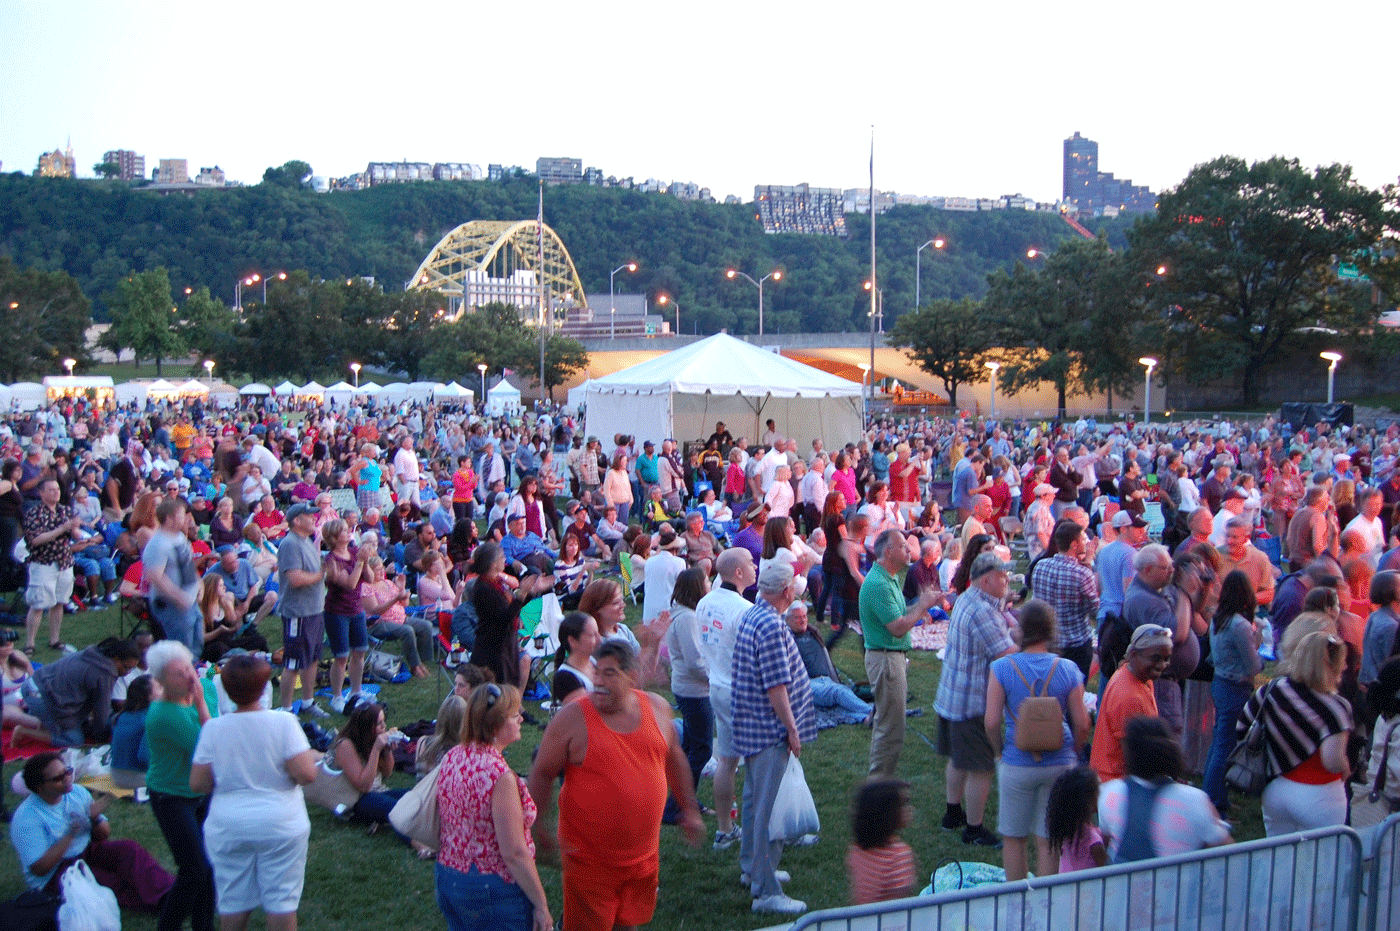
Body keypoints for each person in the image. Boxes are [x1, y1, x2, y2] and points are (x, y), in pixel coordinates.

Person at [528, 641, 703, 931]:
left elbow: (675, 760)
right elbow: (542, 772)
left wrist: (690, 810)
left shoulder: (657, 709)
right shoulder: (572, 718)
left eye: (609, 673)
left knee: (628, 923)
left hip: (642, 857)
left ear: (631, 676)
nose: (597, 681)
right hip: (588, 862)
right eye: (596, 672)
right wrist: (537, 826)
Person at [190, 654, 318, 931]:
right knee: (281, 902)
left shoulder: (213, 729)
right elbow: (307, 774)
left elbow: (198, 784)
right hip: (280, 824)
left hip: (228, 826)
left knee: (233, 903)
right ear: (263, 688)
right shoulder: (283, 723)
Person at [728, 561, 817, 916]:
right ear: (786, 591)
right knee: (769, 812)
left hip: (752, 727)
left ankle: (753, 868)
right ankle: (766, 890)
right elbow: (776, 686)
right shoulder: (770, 625)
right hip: (768, 730)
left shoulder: (754, 616)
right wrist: (792, 730)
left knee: (753, 804)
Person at [985, 599, 1091, 880]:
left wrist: (998, 752)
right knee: (1049, 839)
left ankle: (1018, 903)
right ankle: (1047, 904)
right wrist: (1074, 750)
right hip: (1060, 761)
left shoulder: (1001, 668)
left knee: (1014, 836)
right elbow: (1082, 723)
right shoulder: (1068, 669)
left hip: (1016, 760)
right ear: (1050, 630)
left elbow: (992, 721)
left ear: (1021, 629)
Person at [436, 683, 551, 931]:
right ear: (496, 722)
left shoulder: (454, 755)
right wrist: (541, 905)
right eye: (514, 714)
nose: (521, 718)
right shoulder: (498, 776)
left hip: (449, 878)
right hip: (490, 889)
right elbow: (514, 852)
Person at [9, 750, 174, 912]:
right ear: (39, 787)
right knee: (110, 883)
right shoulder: (27, 818)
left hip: (86, 852)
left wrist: (94, 819)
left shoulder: (77, 792)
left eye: (67, 771)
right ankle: (164, 904)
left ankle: (171, 893)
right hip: (55, 873)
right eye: (58, 778)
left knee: (129, 850)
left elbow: (103, 835)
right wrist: (71, 834)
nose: (67, 779)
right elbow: (39, 869)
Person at [935, 552, 1017, 847]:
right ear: (985, 580)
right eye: (1002, 576)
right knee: (981, 767)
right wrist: (1031, 645)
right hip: (973, 702)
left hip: (952, 695)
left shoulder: (968, 599)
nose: (1007, 580)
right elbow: (1006, 655)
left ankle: (952, 813)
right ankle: (974, 829)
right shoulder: (982, 611)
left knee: (958, 760)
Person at [1241, 630, 1353, 836]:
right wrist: (1347, 767)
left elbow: (1241, 728)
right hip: (1320, 797)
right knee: (1323, 863)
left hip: (1274, 791)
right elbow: (1332, 761)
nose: (1345, 667)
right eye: (1342, 662)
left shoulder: (1271, 690)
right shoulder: (1336, 707)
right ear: (1330, 665)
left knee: (1278, 861)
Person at [144, 639, 216, 931]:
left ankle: (203, 926)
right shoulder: (163, 715)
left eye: (189, 668)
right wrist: (200, 704)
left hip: (200, 792)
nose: (189, 677)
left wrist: (201, 701)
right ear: (160, 681)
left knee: (208, 868)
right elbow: (208, 747)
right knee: (194, 871)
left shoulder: (207, 689)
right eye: (178, 673)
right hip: (171, 797)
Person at [860, 529, 941, 778]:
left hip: (890, 657)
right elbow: (897, 627)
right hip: (885, 659)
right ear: (888, 552)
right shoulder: (878, 584)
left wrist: (921, 604)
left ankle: (882, 782)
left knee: (889, 724)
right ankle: (880, 786)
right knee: (891, 728)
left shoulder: (889, 578)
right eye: (904, 546)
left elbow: (899, 614)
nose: (909, 550)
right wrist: (923, 606)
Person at [1098, 717, 1231, 863]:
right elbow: (1231, 853)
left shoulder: (1108, 793)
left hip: (1120, 884)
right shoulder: (1195, 800)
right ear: (1171, 751)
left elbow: (1104, 843)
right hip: (1178, 884)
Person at [696, 547, 756, 852]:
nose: (755, 565)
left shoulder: (704, 603)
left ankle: (724, 828)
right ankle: (763, 830)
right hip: (741, 692)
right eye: (750, 562)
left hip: (716, 687)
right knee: (759, 764)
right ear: (738, 573)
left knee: (727, 761)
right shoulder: (744, 610)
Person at [1202, 570, 1265, 815]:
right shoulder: (1240, 625)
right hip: (1235, 688)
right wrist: (1257, 641)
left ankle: (1215, 796)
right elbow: (1253, 665)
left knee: (1219, 741)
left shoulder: (1219, 619)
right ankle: (1213, 803)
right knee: (1225, 746)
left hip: (1220, 682)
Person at [1090, 624, 1172, 784]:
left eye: (1166, 658)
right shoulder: (1129, 696)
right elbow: (1133, 755)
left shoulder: (1137, 674)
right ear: (1133, 654)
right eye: (1155, 658)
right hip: (1117, 782)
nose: (1162, 665)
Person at [662, 568, 712, 825]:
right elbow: (695, 662)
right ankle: (676, 806)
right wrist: (717, 677)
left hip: (690, 688)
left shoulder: (685, 615)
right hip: (694, 691)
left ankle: (685, 800)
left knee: (692, 746)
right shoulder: (687, 619)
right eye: (706, 580)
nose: (710, 583)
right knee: (701, 749)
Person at [22, 637, 140, 746]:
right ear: (116, 659)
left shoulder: (96, 653)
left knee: (78, 723)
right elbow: (101, 711)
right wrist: (100, 737)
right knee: (75, 740)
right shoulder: (105, 673)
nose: (128, 672)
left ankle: (41, 720)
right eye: (126, 667)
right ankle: (24, 732)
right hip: (40, 696)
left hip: (35, 683)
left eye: (132, 668)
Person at [470, 541, 553, 689]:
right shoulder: (484, 589)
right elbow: (504, 618)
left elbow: (512, 607)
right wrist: (522, 594)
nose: (504, 559)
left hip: (505, 645)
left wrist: (531, 592)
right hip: (492, 650)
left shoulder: (496, 583)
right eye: (502, 556)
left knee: (509, 693)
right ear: (492, 563)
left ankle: (518, 711)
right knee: (500, 695)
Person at [784, 601, 873, 725]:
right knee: (838, 692)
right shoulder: (785, 639)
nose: (803, 620)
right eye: (798, 617)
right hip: (807, 685)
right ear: (788, 620)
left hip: (826, 680)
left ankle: (865, 719)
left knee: (839, 704)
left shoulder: (813, 632)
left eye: (804, 616)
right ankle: (874, 713)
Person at [277, 502, 328, 716]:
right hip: (298, 612)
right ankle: (286, 708)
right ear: (296, 520)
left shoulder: (306, 541)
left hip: (314, 610)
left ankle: (308, 702)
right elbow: (295, 578)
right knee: (293, 661)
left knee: (313, 657)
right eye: (309, 516)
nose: (314, 518)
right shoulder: (290, 544)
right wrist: (320, 574)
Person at [23, 477, 83, 654]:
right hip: (43, 563)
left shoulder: (65, 511)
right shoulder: (34, 514)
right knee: (38, 603)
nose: (56, 492)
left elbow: (77, 535)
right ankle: (30, 643)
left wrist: (75, 529)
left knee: (59, 601)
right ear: (41, 493)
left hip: (64, 562)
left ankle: (54, 639)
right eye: (51, 490)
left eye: (57, 489)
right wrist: (62, 528)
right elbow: (36, 539)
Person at [333, 702, 408, 831]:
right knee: (398, 809)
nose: (384, 727)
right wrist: (376, 750)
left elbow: (387, 772)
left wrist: (388, 750)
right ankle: (417, 842)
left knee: (415, 797)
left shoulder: (370, 739)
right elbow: (364, 786)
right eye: (379, 724)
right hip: (356, 801)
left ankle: (379, 820)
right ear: (366, 727)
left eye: (384, 721)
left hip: (378, 792)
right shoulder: (345, 745)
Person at [846, 779, 917, 905]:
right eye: (904, 804)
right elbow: (902, 900)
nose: (910, 809)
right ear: (887, 814)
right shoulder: (899, 855)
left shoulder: (856, 850)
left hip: (860, 919)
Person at [363, 556, 435, 679]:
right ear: (369, 571)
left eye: (382, 568)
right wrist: (395, 599)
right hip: (378, 624)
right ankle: (415, 666)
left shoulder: (388, 583)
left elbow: (404, 604)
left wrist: (402, 589)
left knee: (426, 625)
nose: (381, 572)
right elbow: (375, 610)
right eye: (377, 569)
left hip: (400, 618)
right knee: (407, 631)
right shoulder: (366, 587)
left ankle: (425, 661)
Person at [1046, 767, 1108, 874]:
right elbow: (1109, 870)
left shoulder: (1068, 831)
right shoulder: (1093, 840)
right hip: (1087, 890)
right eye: (1099, 790)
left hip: (1066, 887)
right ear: (1088, 802)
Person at [108, 674, 153, 789]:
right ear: (149, 696)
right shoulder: (151, 717)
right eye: (160, 687)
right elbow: (144, 757)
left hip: (116, 776)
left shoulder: (121, 716)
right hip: (140, 779)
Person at [550, 611, 601, 705]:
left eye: (597, 633)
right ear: (572, 641)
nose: (599, 639)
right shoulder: (565, 678)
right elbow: (585, 712)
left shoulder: (594, 662)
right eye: (592, 635)